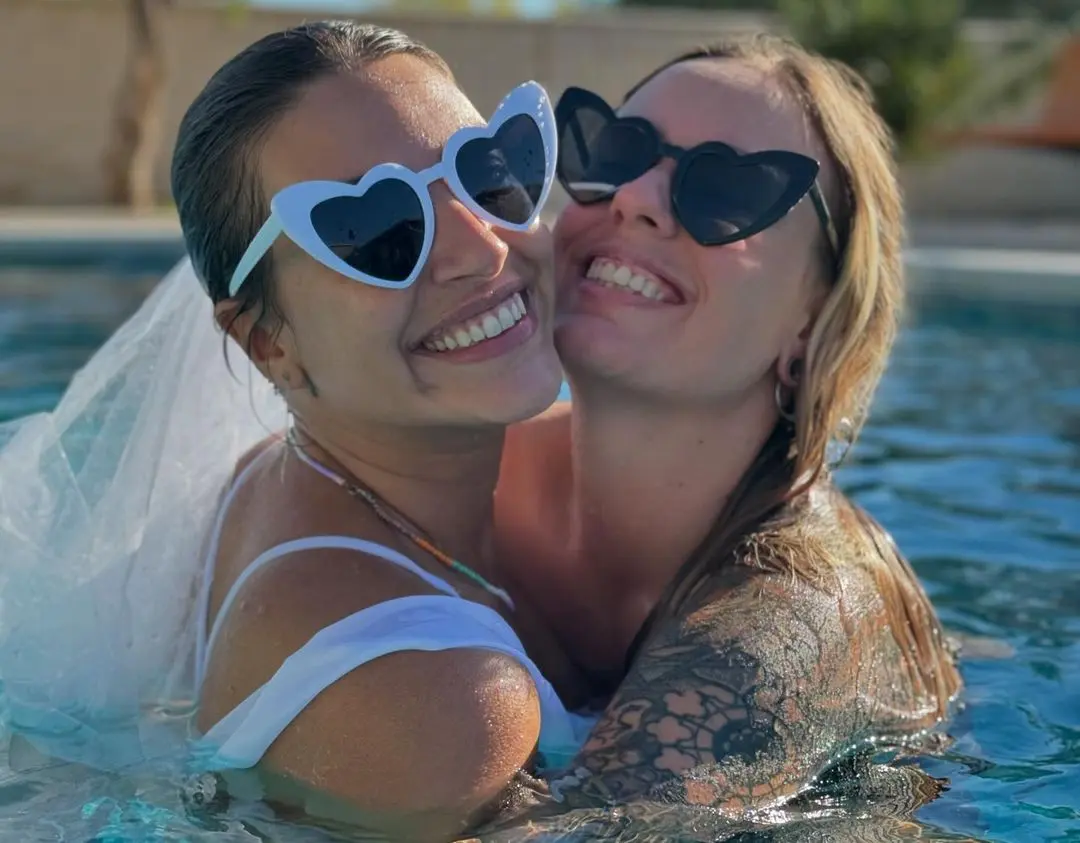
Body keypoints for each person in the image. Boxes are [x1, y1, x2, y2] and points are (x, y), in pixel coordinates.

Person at [0, 21, 592, 843]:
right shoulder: (435, 700)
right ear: (266, 341)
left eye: (489, 173)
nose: (478, 246)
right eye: (379, 230)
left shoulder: (272, 481)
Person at [496, 34, 964, 813]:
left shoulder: (786, 630)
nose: (636, 197)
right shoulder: (448, 471)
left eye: (725, 189)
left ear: (813, 326)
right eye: (617, 149)